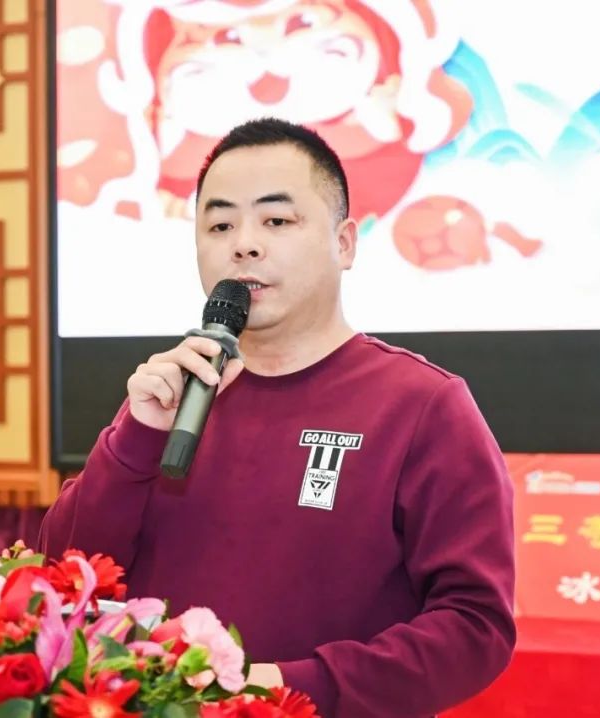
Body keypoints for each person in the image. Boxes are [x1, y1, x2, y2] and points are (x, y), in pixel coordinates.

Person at [40, 117, 515, 718]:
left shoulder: (423, 405)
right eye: (220, 225)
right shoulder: (175, 396)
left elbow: (475, 627)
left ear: (344, 243)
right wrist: (133, 440)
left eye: (276, 221)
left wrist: (288, 686)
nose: (243, 244)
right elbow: (62, 576)